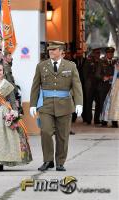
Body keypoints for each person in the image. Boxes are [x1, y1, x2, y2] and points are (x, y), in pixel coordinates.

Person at [30, 41, 83, 171]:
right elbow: (35, 86)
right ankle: (48, 160)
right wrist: (33, 104)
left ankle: (60, 162)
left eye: (54, 50)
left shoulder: (71, 66)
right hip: (46, 105)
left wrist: (79, 103)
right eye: (49, 50)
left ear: (61, 51)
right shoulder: (41, 66)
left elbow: (77, 86)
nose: (51, 52)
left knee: (63, 135)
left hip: (65, 105)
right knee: (46, 132)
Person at [96, 47, 116, 127]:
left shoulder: (115, 62)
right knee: (103, 103)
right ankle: (104, 121)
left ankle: (114, 121)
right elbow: (97, 74)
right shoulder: (101, 62)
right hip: (103, 86)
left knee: (113, 103)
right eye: (109, 53)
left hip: (114, 86)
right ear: (106, 54)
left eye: (111, 53)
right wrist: (104, 77)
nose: (110, 54)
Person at [83, 48, 101, 125]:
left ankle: (97, 119)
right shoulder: (88, 61)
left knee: (99, 102)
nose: (98, 54)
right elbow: (84, 72)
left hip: (98, 85)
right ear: (93, 53)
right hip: (90, 84)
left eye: (99, 53)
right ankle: (88, 119)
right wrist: (87, 82)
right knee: (89, 102)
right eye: (96, 53)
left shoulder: (101, 61)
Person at [101, 61, 119, 128]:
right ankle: (112, 121)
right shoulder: (117, 64)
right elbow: (115, 75)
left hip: (116, 84)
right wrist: (112, 85)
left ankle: (111, 121)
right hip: (117, 84)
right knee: (112, 102)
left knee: (112, 102)